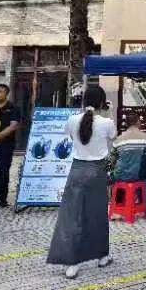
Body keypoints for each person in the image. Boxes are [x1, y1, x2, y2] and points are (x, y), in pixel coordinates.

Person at [47, 85, 116, 279]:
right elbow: (113, 137)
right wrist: (108, 112)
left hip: (77, 170)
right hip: (98, 171)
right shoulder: (107, 122)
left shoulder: (72, 120)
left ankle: (72, 263)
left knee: (73, 216)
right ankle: (102, 256)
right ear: (102, 102)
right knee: (98, 215)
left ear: (84, 100)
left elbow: (71, 135)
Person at [108, 112, 146, 215]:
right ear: (138, 122)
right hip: (140, 175)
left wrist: (110, 172)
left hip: (121, 175)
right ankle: (142, 204)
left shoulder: (119, 139)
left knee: (113, 176)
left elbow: (112, 160)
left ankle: (118, 203)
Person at [0, 84, 21, 208]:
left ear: (6, 94)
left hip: (5, 145)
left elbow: (13, 125)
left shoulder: (13, 107)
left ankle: (2, 198)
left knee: (3, 172)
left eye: (0, 92)